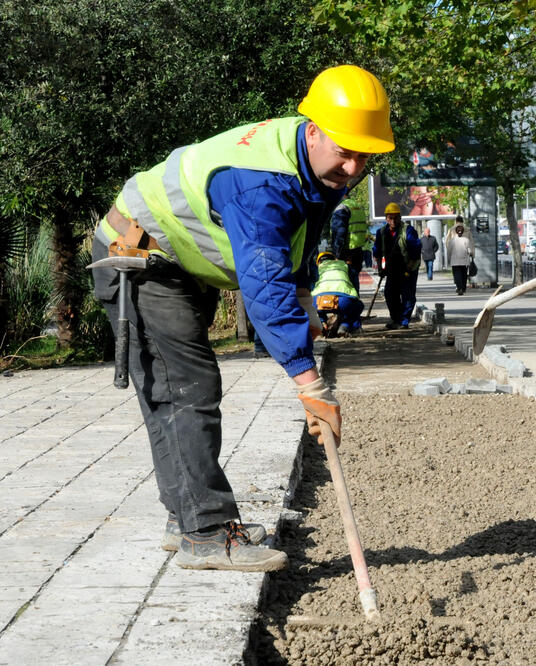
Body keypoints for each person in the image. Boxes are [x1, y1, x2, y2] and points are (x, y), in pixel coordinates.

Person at [89, 65, 395, 571]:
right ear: (313, 130)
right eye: (345, 151)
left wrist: (303, 294)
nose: (353, 166)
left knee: (180, 386)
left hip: (179, 267)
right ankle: (205, 534)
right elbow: (263, 290)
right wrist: (310, 385)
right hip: (141, 260)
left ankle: (187, 515)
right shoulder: (261, 184)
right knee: (185, 385)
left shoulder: (314, 162)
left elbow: (303, 232)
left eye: (365, 155)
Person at [373, 202, 421, 328]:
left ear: (400, 217)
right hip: (392, 268)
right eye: (390, 218)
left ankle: (404, 321)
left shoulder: (409, 231)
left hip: (408, 267)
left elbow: (415, 252)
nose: (393, 220)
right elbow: (377, 253)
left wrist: (408, 269)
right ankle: (396, 319)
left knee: (407, 295)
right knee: (390, 294)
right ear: (386, 219)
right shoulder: (381, 233)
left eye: (396, 217)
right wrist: (380, 268)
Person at [312, 251, 363, 336]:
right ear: (334, 259)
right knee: (358, 306)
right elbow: (355, 282)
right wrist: (354, 298)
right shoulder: (345, 265)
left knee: (316, 308)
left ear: (319, 262)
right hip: (343, 301)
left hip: (318, 302)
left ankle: (322, 323)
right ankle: (345, 326)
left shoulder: (316, 268)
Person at [329, 202, 370, 294]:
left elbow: (340, 232)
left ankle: (348, 305)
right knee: (354, 282)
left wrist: (336, 254)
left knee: (345, 284)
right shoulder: (358, 206)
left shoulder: (341, 208)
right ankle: (355, 304)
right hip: (358, 250)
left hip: (346, 253)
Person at [446, 217, 474, 295]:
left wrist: (449, 257)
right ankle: (463, 288)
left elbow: (447, 243)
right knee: (464, 274)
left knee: (456, 274)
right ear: (462, 221)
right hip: (465, 258)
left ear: (456, 221)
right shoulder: (467, 230)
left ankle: (459, 287)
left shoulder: (452, 230)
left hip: (454, 258)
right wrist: (472, 254)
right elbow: (471, 243)